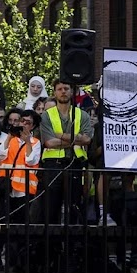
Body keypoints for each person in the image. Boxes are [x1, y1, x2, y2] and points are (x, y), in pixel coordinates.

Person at [0, 109, 42, 272]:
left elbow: (31, 160)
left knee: (21, 227)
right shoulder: (11, 140)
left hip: (24, 190)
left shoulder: (35, 142)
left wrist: (27, 141)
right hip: (7, 189)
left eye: (28, 122)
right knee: (3, 224)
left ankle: (20, 262)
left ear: (33, 125)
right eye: (22, 121)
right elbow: (0, 155)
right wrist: (9, 137)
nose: (23, 124)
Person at [40, 79, 93, 227]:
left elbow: (87, 139)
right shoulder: (46, 115)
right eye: (60, 89)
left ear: (71, 91)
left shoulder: (82, 115)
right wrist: (76, 139)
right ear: (55, 92)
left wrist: (59, 135)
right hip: (53, 165)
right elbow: (49, 142)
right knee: (51, 208)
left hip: (75, 163)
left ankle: (73, 246)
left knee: (75, 206)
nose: (63, 91)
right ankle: (52, 246)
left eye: (66, 88)